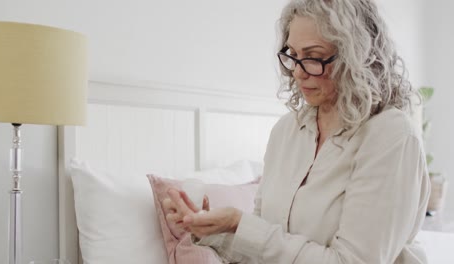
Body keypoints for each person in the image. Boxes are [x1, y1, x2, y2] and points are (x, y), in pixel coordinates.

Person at [163, 0, 430, 263]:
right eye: (293, 55)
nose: (298, 73)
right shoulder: (286, 131)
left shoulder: (390, 135)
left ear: (356, 57)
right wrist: (212, 230)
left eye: (313, 57)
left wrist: (238, 224)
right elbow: (261, 249)